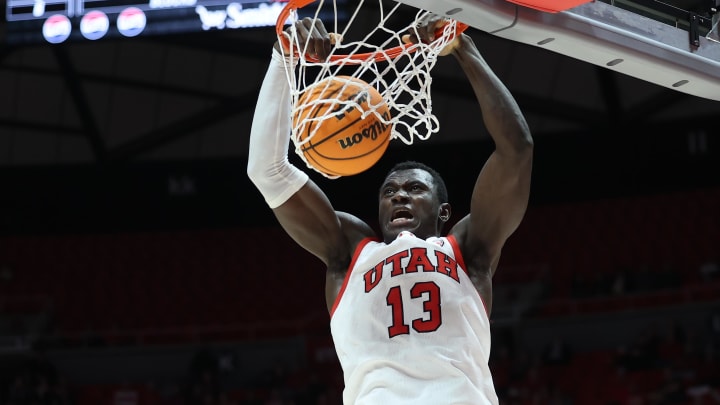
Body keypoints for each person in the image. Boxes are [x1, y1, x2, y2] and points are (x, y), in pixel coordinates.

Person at [247, 14, 533, 405]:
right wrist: (284, 57)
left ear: (444, 212)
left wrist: (462, 47)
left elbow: (517, 149)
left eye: (415, 189)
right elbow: (267, 171)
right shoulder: (349, 253)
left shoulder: (468, 250)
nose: (399, 196)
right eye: (389, 191)